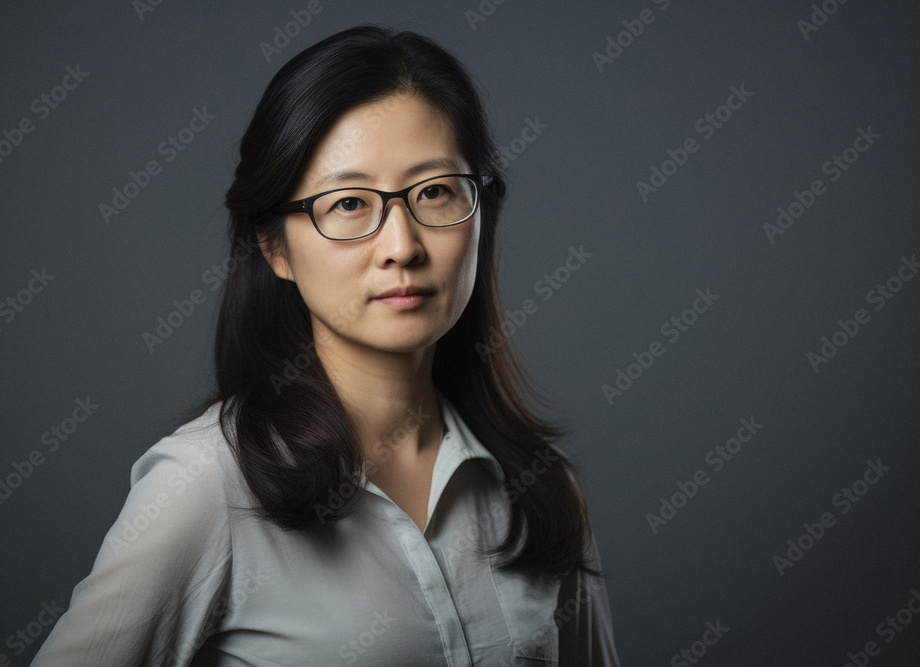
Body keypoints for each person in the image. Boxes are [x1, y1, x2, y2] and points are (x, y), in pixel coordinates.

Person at [32, 24, 620, 666]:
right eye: (347, 204)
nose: (402, 246)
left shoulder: (544, 486)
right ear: (274, 245)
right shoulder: (206, 488)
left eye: (434, 192)